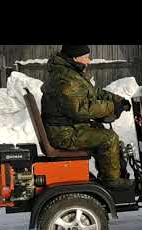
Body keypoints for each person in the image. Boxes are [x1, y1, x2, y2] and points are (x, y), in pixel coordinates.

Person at [41, 45, 133, 190]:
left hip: (66, 128)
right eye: (86, 57)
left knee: (99, 129)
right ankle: (111, 181)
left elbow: (93, 93)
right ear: (75, 58)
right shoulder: (65, 80)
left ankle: (112, 175)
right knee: (109, 138)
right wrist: (112, 107)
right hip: (63, 134)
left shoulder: (70, 73)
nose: (89, 61)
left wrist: (117, 100)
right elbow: (81, 109)